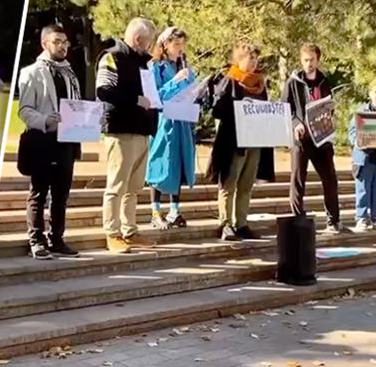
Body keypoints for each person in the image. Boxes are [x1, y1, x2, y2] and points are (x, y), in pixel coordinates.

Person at [17, 24, 82, 260]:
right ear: (45, 44)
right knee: (39, 192)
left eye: (65, 42)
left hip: (67, 139)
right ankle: (36, 239)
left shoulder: (70, 72)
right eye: (57, 42)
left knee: (61, 193)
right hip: (42, 139)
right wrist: (44, 120)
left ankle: (57, 238)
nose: (63, 46)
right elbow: (24, 109)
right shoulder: (32, 72)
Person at [95, 18, 157, 254]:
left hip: (141, 130)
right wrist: (135, 100)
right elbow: (104, 90)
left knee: (135, 185)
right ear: (138, 39)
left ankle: (130, 230)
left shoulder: (144, 63)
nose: (150, 47)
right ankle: (112, 232)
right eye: (148, 41)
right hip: (120, 129)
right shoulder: (112, 56)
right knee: (117, 184)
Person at [206, 42, 275, 241]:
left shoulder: (260, 84)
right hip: (234, 141)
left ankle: (242, 223)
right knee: (229, 182)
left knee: (246, 184)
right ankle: (225, 223)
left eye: (256, 59)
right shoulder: (230, 80)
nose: (254, 63)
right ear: (239, 60)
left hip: (255, 140)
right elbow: (217, 110)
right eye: (250, 58)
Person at [282, 43, 342, 234]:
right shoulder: (293, 82)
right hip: (302, 138)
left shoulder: (324, 81)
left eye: (312, 60)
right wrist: (295, 123)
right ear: (301, 61)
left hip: (321, 138)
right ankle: (297, 218)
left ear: (318, 60)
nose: (309, 64)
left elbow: (328, 106)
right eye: (306, 60)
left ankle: (333, 220)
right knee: (298, 178)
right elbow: (285, 108)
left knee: (330, 178)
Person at [146, 27, 196, 230]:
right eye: (176, 45)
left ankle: (175, 209)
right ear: (165, 45)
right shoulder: (155, 67)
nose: (180, 49)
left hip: (182, 121)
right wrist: (175, 81)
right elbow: (154, 95)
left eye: (182, 46)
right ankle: (155, 211)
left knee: (179, 162)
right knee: (159, 162)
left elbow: (192, 91)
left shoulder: (183, 67)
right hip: (163, 121)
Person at [349, 80, 376, 232]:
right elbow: (352, 132)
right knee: (363, 189)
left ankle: (374, 218)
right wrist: (358, 141)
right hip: (363, 157)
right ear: (371, 94)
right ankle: (361, 218)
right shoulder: (362, 112)